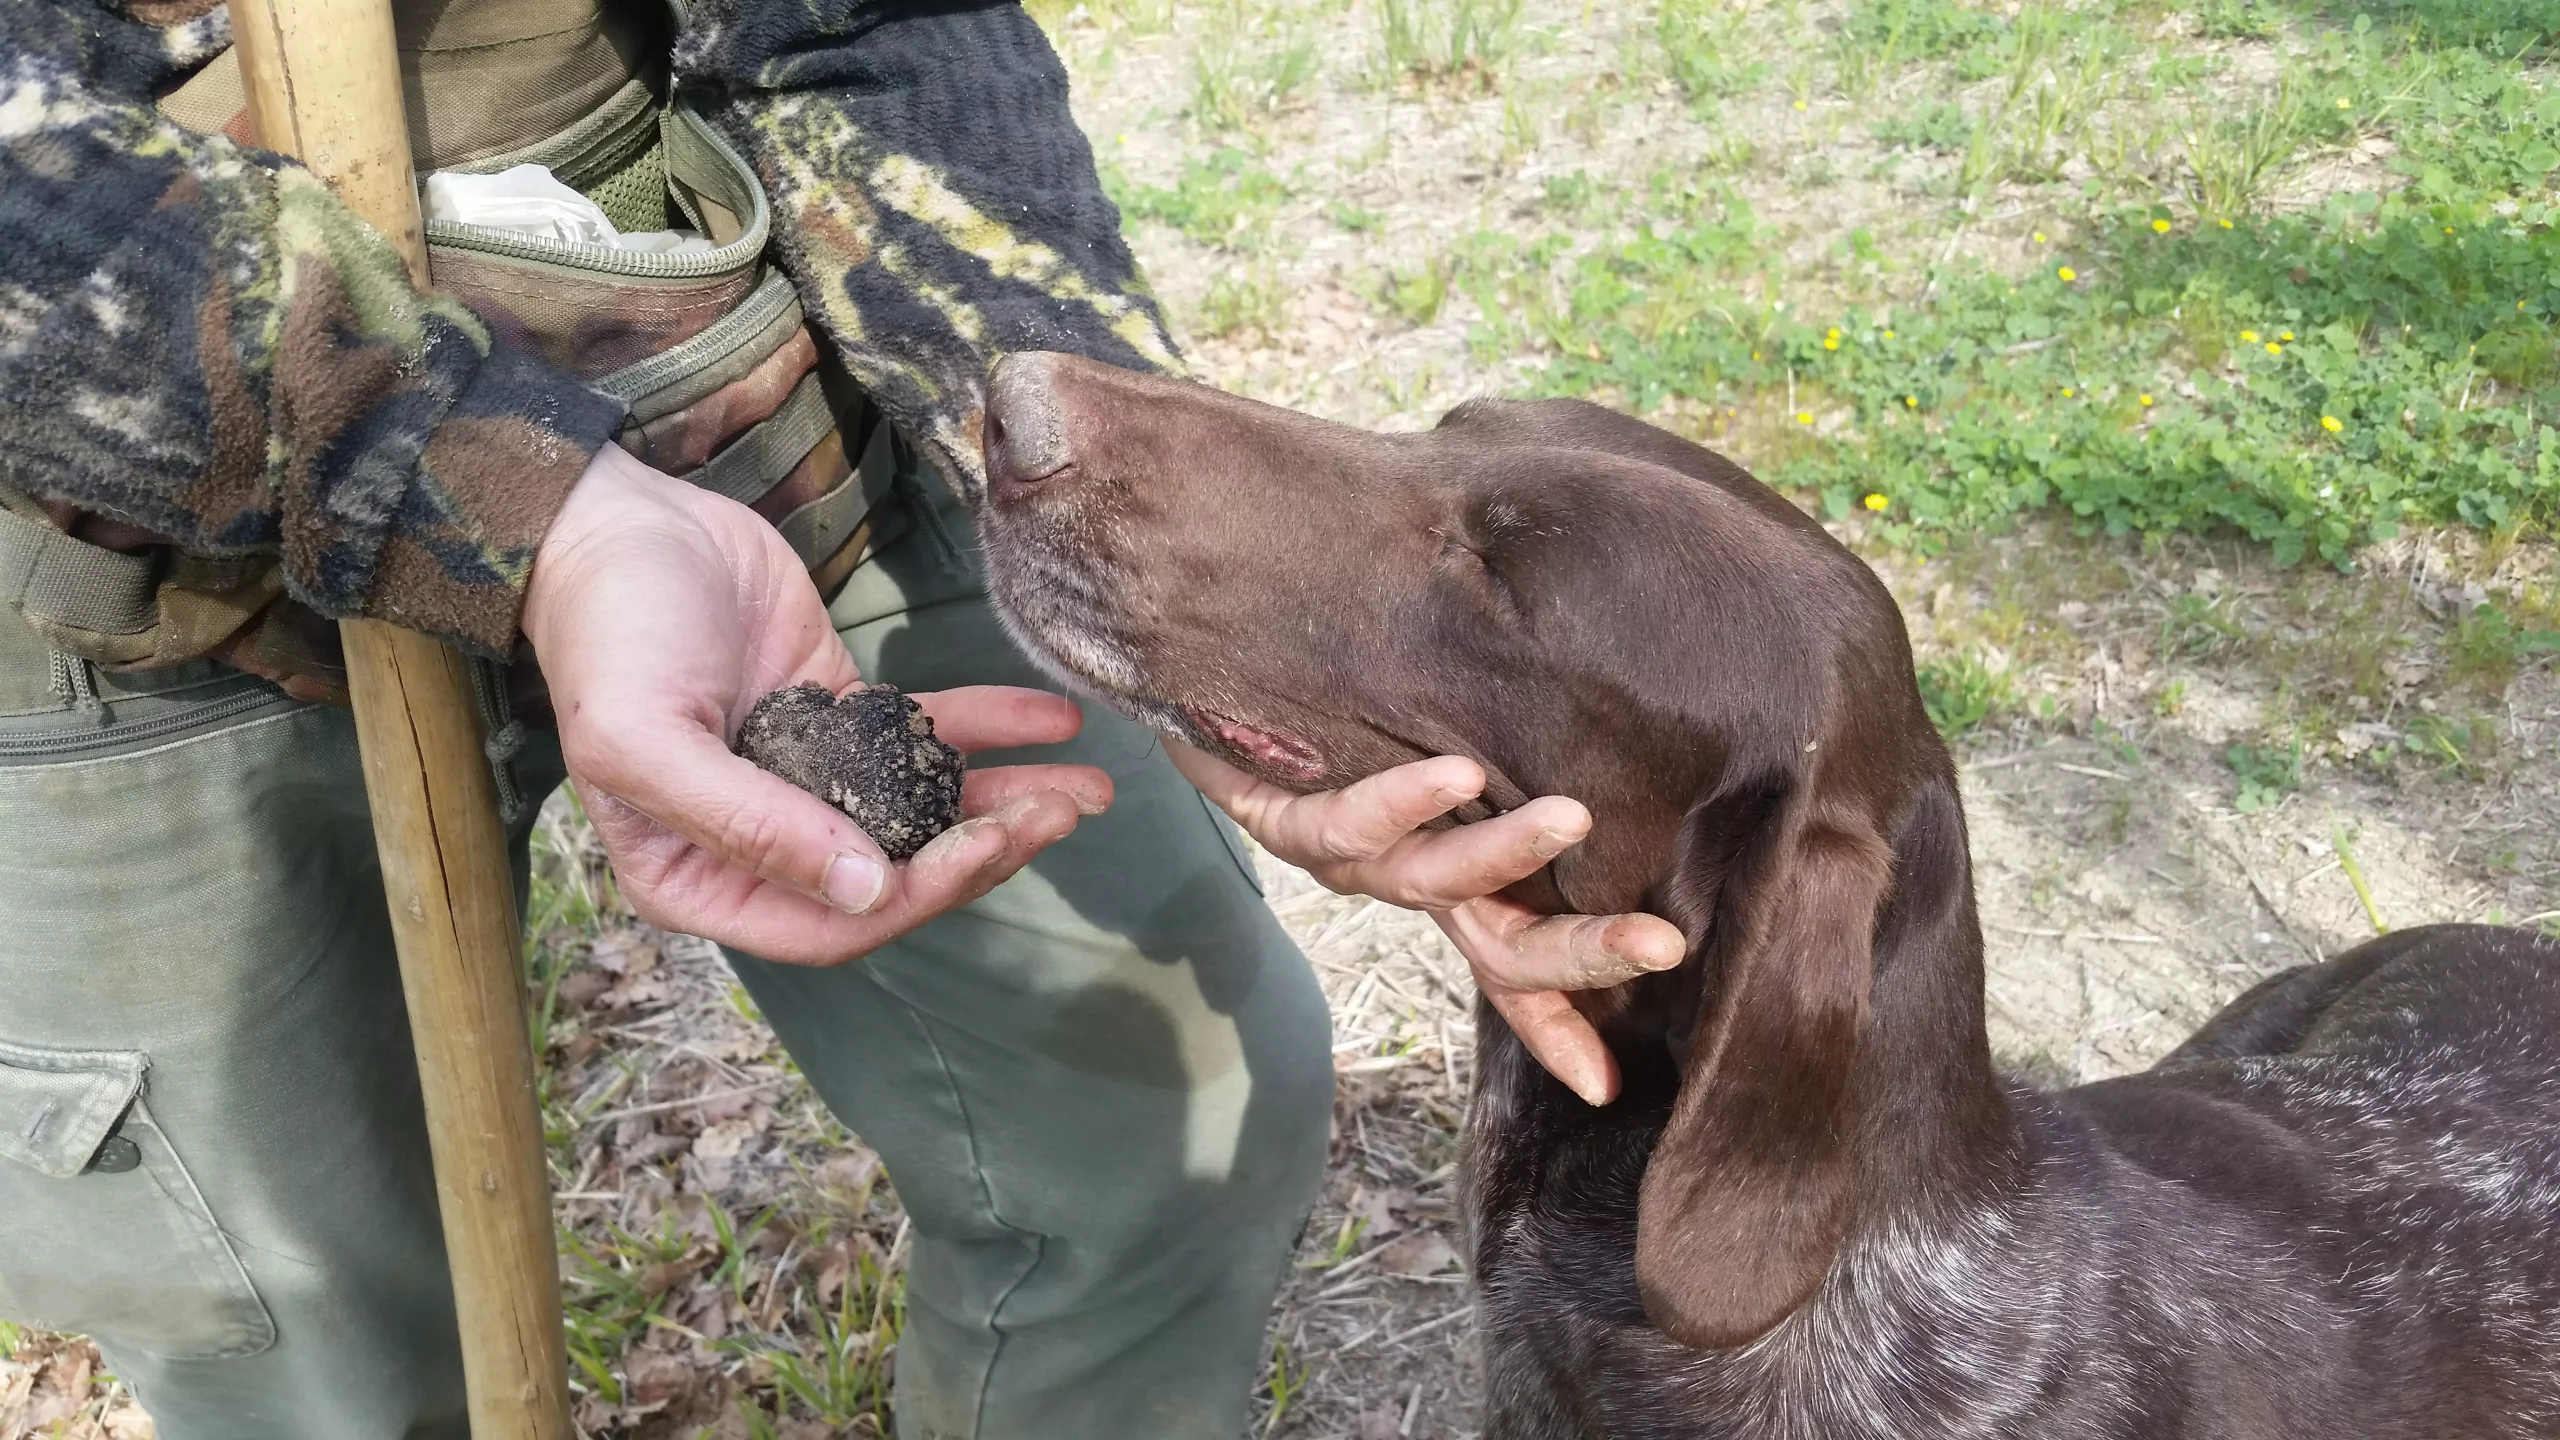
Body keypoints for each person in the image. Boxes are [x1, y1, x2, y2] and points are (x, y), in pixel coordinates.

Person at [0, 0, 1684, 1435]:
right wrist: (506, 494)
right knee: (311, 1350)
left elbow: (870, 22)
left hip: (709, 363)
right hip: (105, 502)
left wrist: (1158, 592)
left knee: (1164, 1119)